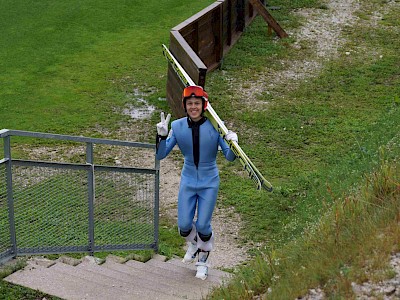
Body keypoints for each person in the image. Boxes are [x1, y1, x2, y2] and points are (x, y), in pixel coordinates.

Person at [155, 85, 238, 280]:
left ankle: (203, 261)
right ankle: (194, 243)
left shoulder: (216, 126)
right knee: (184, 225)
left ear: (204, 105)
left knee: (202, 225)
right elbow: (161, 154)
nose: (194, 107)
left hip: (209, 182)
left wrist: (233, 142)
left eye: (197, 103)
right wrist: (161, 136)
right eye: (190, 103)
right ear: (185, 105)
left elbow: (229, 157)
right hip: (188, 180)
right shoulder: (177, 126)